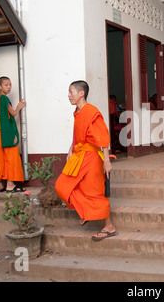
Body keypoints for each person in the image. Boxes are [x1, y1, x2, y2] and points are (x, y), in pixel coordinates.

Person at [55, 80, 117, 241]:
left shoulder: (91, 111)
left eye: (71, 92)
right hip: (79, 155)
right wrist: (70, 150)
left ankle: (109, 227)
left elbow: (103, 137)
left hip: (92, 158)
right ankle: (86, 211)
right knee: (62, 185)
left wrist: (106, 161)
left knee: (94, 192)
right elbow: (77, 135)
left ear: (81, 93)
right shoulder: (78, 112)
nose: (68, 96)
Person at [0, 76, 26, 193]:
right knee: (11, 157)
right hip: (5, 132)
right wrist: (19, 107)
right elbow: (13, 113)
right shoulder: (4, 99)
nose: (9, 87)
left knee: (0, 158)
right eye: (6, 85)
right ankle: (10, 185)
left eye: (10, 84)